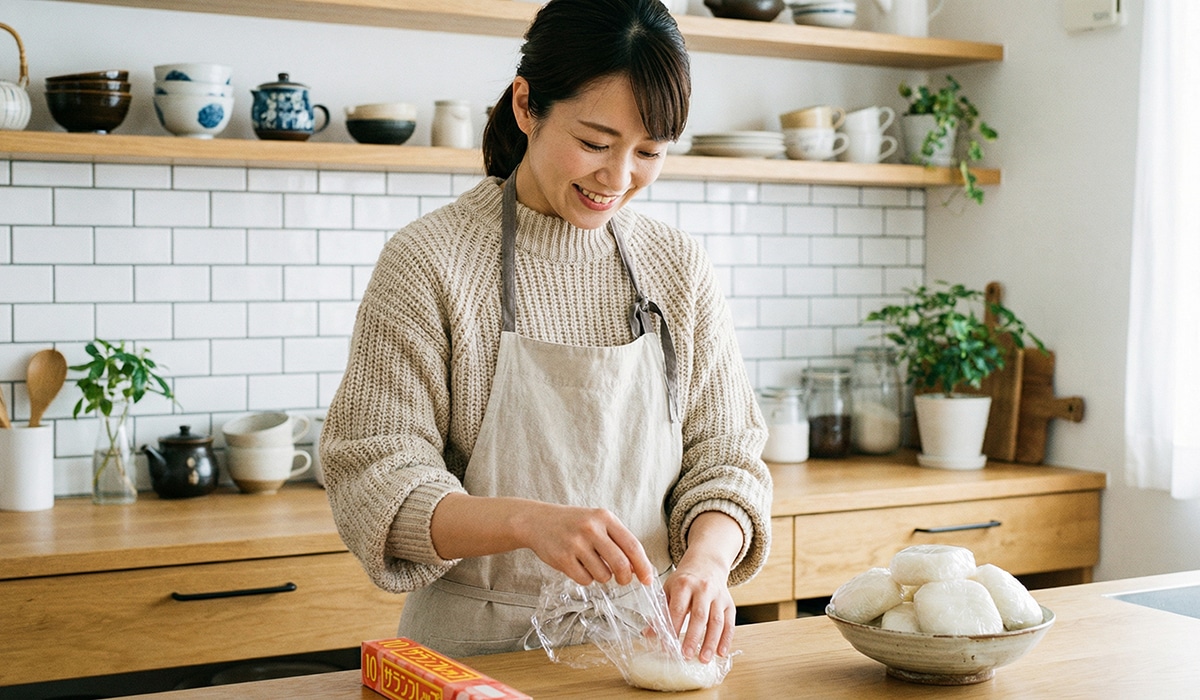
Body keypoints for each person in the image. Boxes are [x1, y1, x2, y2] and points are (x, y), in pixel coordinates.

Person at [321, 0, 772, 664]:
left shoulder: (676, 268)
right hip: (474, 658)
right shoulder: (429, 261)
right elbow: (377, 478)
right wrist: (526, 523)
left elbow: (727, 458)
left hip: (643, 651)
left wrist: (706, 561)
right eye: (594, 142)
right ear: (527, 105)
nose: (617, 179)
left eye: (648, 151)